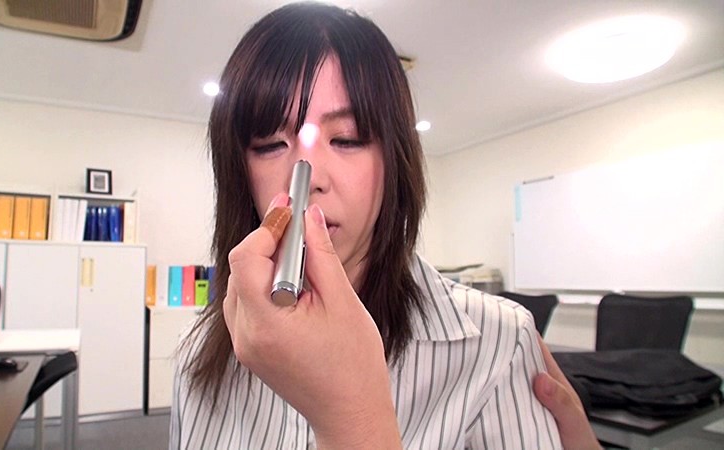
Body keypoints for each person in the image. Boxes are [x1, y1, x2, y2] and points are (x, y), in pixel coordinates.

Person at [170, 3, 599, 449]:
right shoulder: (194, 352)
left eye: (347, 139)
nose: (309, 177)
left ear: (394, 159)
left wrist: (351, 418)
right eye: (270, 144)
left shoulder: (498, 344)